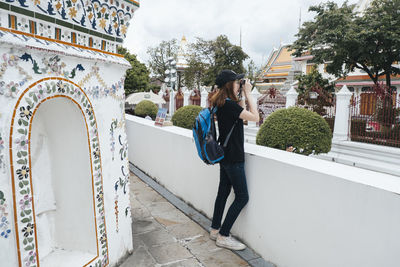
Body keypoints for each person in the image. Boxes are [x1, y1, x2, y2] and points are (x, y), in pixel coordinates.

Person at [209, 69, 259, 250]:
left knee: (223, 192)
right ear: (230, 85)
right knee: (242, 197)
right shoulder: (229, 106)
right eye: (237, 82)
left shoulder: (223, 104)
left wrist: (242, 95)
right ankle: (223, 235)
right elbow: (254, 117)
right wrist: (248, 92)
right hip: (234, 157)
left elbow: (242, 114)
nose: (240, 84)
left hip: (225, 155)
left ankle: (215, 229)